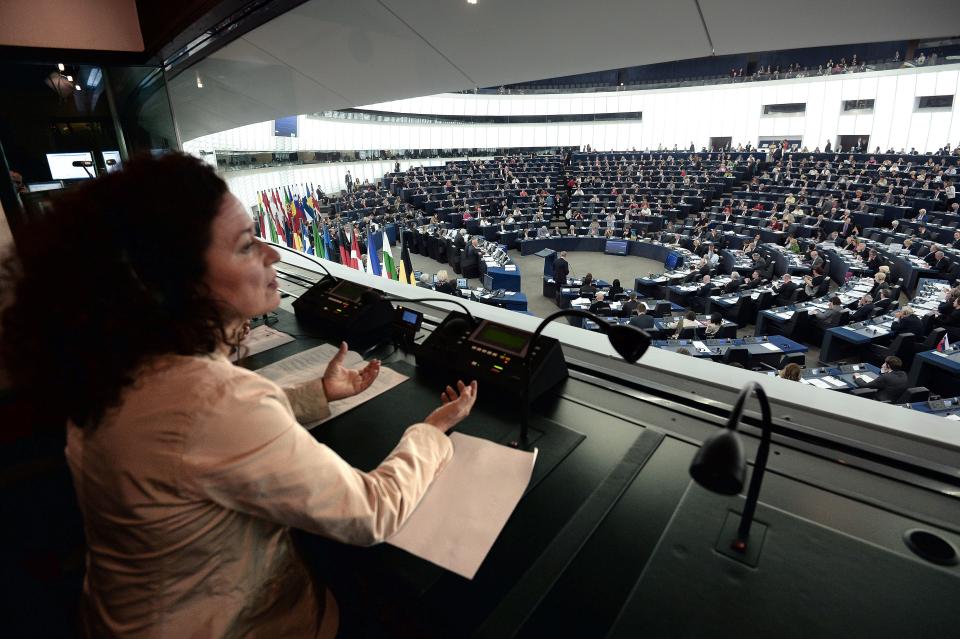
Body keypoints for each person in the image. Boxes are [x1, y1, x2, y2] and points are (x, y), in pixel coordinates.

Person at [0, 153, 479, 637]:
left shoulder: (114, 365)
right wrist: (431, 430)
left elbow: (189, 443)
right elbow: (372, 512)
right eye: (247, 245)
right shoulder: (213, 398)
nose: (272, 256)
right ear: (176, 282)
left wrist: (316, 394)